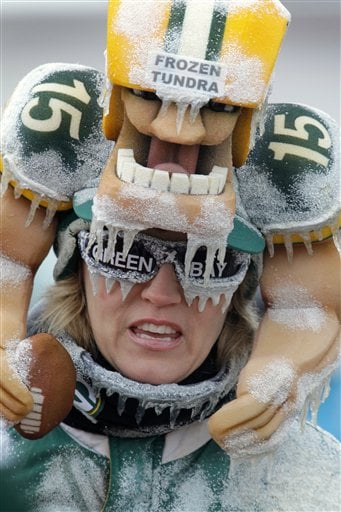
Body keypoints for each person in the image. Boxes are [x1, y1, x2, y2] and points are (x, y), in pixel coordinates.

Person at [0, 1, 340, 510]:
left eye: (206, 265)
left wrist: (280, 376)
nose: (162, 292)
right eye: (124, 252)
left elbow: (309, 306)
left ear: (242, 291)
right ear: (75, 265)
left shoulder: (311, 486)